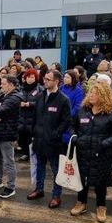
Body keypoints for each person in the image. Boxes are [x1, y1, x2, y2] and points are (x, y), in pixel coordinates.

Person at [70, 83, 112, 222]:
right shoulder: (83, 110)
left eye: (95, 93)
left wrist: (103, 144)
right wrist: (75, 138)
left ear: (104, 96)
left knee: (100, 181)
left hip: (102, 154)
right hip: (83, 151)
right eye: (91, 93)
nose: (91, 95)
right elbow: (73, 126)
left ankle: (101, 206)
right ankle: (81, 202)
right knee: (82, 178)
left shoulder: (111, 112)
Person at [28, 70, 72, 208]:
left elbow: (66, 121)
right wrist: (33, 132)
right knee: (39, 166)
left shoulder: (63, 99)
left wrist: (56, 134)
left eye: (48, 79)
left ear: (57, 81)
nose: (45, 81)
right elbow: (34, 117)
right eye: (45, 79)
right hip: (39, 139)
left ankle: (56, 196)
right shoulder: (40, 96)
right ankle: (39, 189)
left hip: (53, 142)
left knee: (55, 170)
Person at [17, 69, 43, 162]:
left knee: (31, 137)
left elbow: (41, 103)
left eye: (32, 77)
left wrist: (30, 104)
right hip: (22, 117)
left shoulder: (39, 89)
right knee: (23, 136)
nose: (30, 79)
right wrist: (20, 103)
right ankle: (25, 153)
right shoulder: (21, 88)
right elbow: (17, 99)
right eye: (28, 77)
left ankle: (32, 153)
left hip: (33, 117)